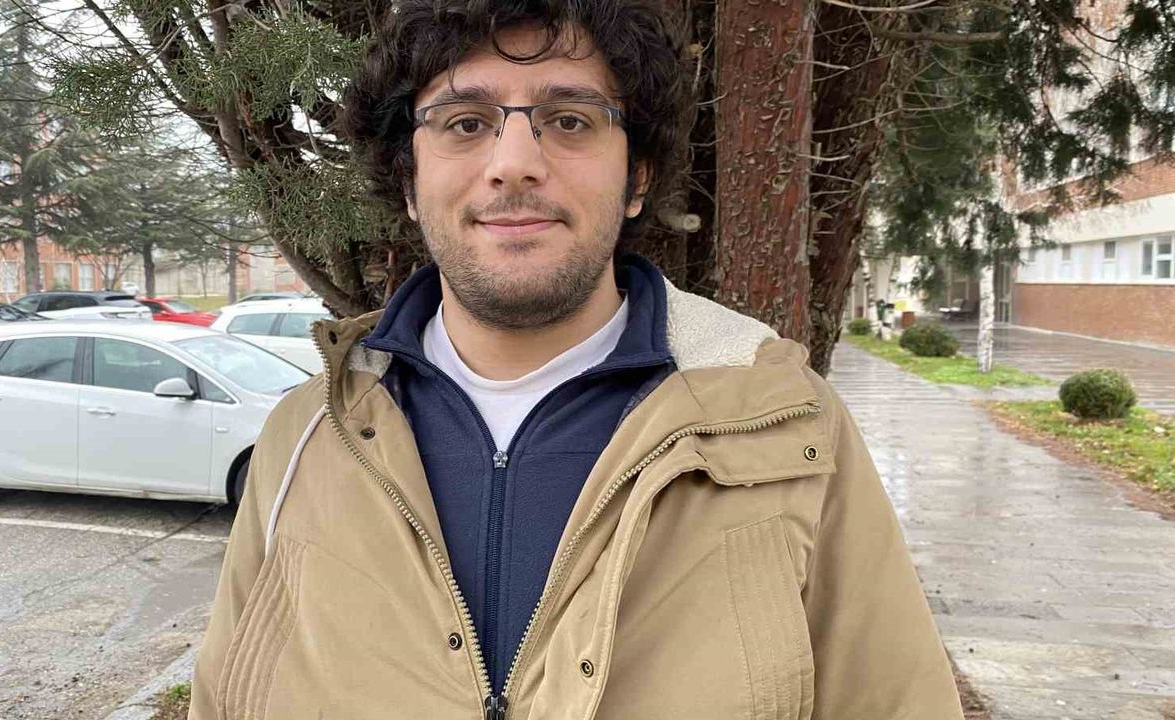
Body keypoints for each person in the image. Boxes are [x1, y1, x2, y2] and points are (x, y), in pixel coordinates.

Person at [189, 1, 965, 718]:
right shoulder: (303, 439)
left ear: (637, 178)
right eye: (465, 122)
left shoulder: (792, 432)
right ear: (408, 180)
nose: (514, 162)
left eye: (569, 119)